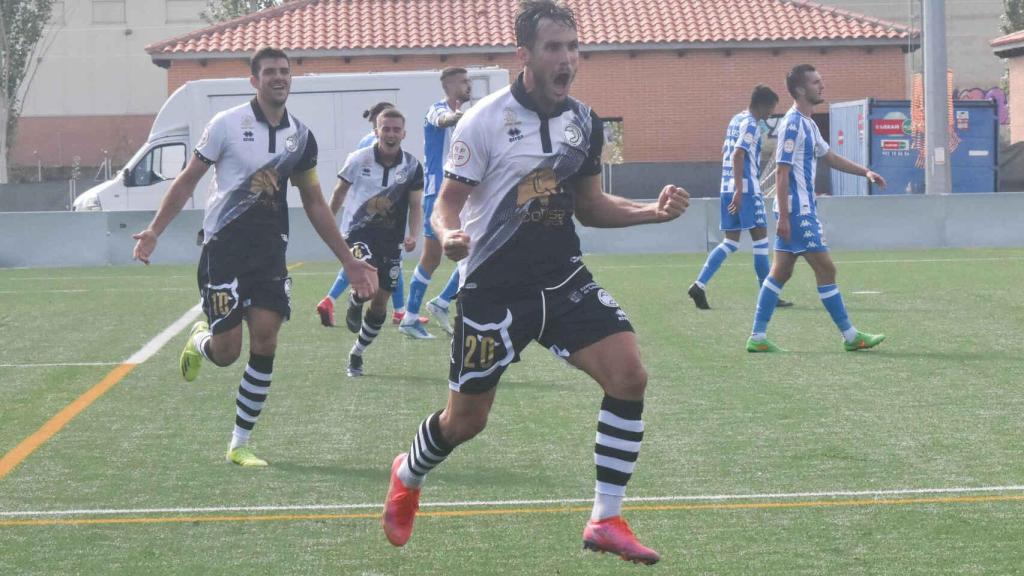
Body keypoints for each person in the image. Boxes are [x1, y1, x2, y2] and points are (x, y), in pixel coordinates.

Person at [381, 1, 689, 565]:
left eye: (573, 47)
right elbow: (444, 206)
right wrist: (448, 236)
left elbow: (591, 206)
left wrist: (651, 212)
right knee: (465, 422)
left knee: (629, 375)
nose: (567, 58)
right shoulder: (483, 121)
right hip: (493, 290)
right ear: (524, 55)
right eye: (554, 48)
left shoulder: (584, 122)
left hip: (563, 277)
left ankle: (606, 518)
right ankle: (408, 472)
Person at [131, 47, 377, 466]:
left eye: (285, 71)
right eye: (270, 72)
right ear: (254, 80)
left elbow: (315, 202)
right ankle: (201, 340)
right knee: (228, 352)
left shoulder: (301, 137)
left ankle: (239, 443)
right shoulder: (225, 125)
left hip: (269, 254)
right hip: (223, 249)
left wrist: (348, 260)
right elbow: (189, 179)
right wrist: (155, 229)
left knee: (266, 338)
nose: (279, 78)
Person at [746, 64, 886, 353]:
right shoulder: (793, 124)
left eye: (821, 81)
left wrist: (865, 172)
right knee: (826, 268)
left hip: (797, 209)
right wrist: (784, 216)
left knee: (780, 272)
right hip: (797, 211)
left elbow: (830, 157)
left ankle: (757, 337)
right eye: (815, 82)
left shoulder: (808, 123)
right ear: (799, 90)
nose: (821, 86)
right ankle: (850, 336)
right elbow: (782, 173)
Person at [329, 107, 424, 376]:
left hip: (391, 242)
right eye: (386, 128)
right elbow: (339, 192)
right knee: (368, 287)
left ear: (404, 133)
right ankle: (356, 299)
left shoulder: (412, 166)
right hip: (358, 234)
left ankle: (357, 353)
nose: (391, 134)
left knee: (381, 304)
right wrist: (327, 222)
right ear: (376, 132)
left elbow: (416, 206)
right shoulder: (358, 159)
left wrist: (413, 234)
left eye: (396, 129)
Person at [688, 85, 792, 310]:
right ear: (762, 104)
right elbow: (737, 154)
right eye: (771, 109)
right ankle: (768, 296)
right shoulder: (751, 125)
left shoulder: (735, 120)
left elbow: (728, 152)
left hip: (727, 186)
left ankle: (699, 285)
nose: (771, 114)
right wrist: (739, 189)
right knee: (761, 242)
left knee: (731, 242)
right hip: (745, 189)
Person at [398, 67, 473, 339]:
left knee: (469, 247)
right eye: (464, 82)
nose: (468, 86)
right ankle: (424, 310)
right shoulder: (437, 110)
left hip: (460, 194)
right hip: (438, 195)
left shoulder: (466, 118)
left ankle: (428, 308)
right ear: (450, 85)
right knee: (441, 255)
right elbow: (443, 120)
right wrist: (460, 117)